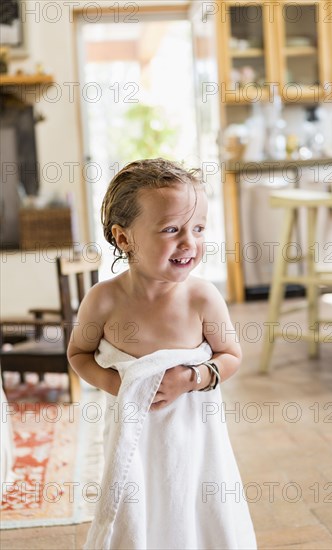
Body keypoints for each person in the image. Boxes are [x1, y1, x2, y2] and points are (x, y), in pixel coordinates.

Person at [67, 158, 257, 550]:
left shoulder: (201, 298)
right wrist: (116, 383)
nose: (189, 243)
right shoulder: (104, 301)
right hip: (134, 437)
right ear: (124, 239)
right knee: (139, 503)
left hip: (195, 438)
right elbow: (79, 354)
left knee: (197, 502)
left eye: (199, 229)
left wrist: (193, 377)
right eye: (171, 230)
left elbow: (230, 354)